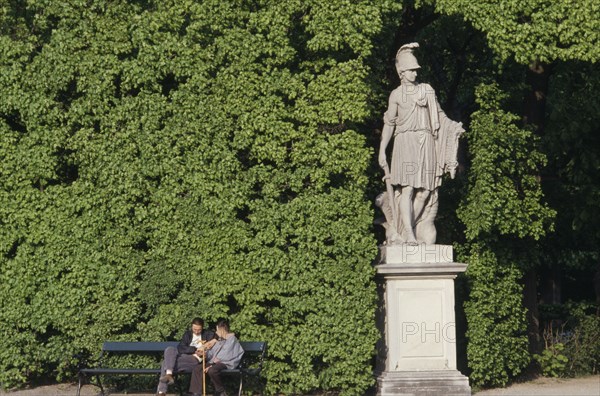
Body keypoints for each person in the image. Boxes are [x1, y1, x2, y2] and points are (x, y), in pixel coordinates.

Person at [378, 42, 464, 245]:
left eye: (416, 71)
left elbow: (440, 115)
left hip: (426, 144)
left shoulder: (427, 90)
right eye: (411, 71)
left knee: (426, 191)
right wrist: (382, 150)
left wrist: (453, 127)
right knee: (407, 189)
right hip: (405, 143)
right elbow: (389, 124)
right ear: (401, 72)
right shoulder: (396, 95)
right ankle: (408, 233)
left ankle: (407, 227)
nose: (415, 74)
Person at [156, 317, 215, 396]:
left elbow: (219, 336)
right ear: (191, 327)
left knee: (165, 363)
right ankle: (169, 375)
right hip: (183, 357)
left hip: (195, 360)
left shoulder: (208, 334)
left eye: (199, 330)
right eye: (194, 329)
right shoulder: (187, 334)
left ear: (202, 327)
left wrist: (209, 344)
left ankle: (161, 391)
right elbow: (180, 348)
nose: (197, 332)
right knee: (170, 349)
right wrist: (195, 349)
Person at [188, 318, 244, 396]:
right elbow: (212, 353)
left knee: (212, 370)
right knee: (197, 369)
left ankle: (221, 391)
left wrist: (212, 365)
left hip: (226, 363)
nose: (216, 332)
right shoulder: (219, 340)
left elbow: (226, 356)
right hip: (214, 362)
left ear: (221, 329)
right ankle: (196, 393)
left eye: (217, 330)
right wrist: (204, 354)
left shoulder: (232, 340)